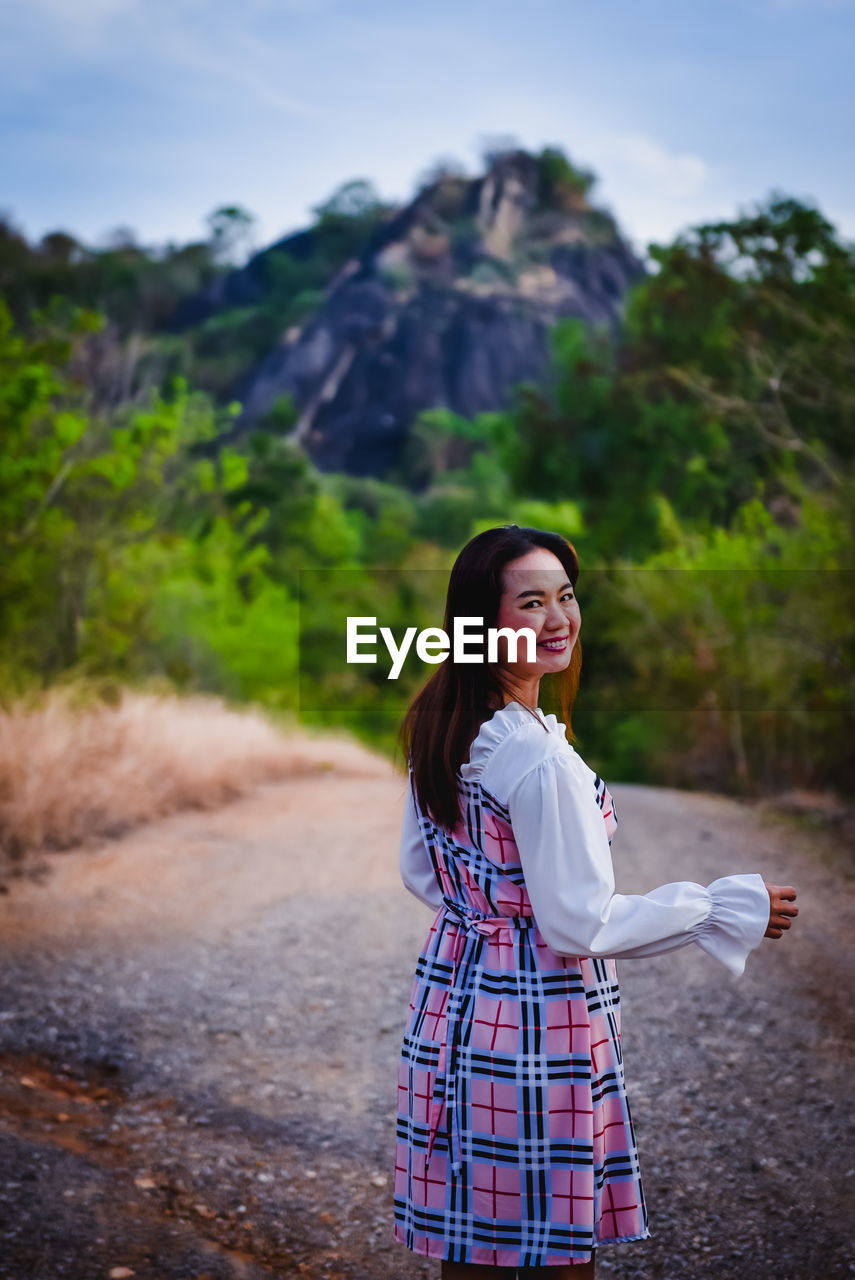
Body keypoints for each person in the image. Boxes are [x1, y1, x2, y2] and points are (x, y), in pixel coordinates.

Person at [392, 525, 798, 1279]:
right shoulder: (538, 757)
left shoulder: (443, 725)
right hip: (537, 1026)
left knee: (470, 1241)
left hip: (452, 1012)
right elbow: (580, 922)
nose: (559, 620)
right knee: (554, 1250)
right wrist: (715, 906)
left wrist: (490, 918)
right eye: (531, 602)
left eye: (566, 596)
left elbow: (424, 873)